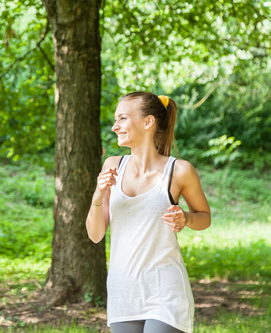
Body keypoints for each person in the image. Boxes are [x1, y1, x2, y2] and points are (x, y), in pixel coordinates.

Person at [86, 92, 211, 333]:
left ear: (148, 122)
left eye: (122, 118)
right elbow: (95, 235)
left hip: (165, 290)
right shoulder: (113, 166)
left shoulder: (180, 170)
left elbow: (204, 217)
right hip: (123, 291)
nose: (115, 126)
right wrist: (98, 197)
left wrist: (186, 218)